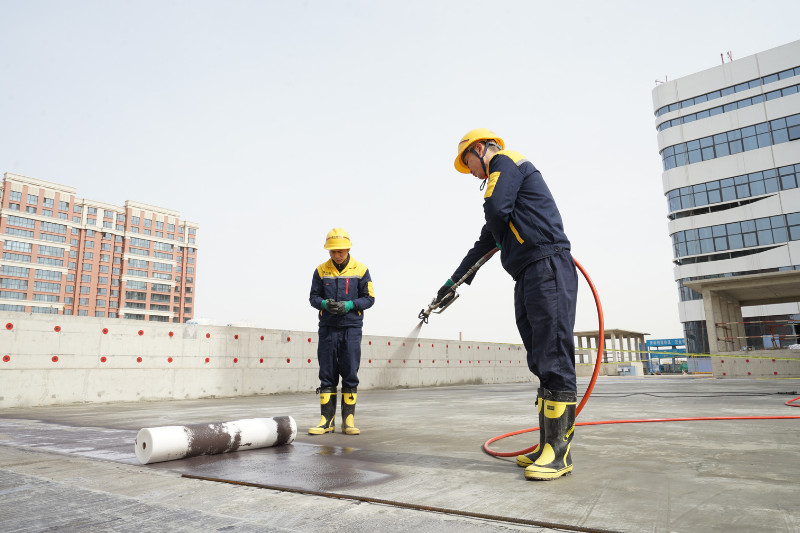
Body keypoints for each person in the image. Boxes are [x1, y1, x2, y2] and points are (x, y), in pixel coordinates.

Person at [435, 128, 579, 481]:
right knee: (540, 358)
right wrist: (453, 282)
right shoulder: (503, 195)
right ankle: (547, 443)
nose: (469, 171)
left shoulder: (506, 162)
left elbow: (496, 209)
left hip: (548, 265)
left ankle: (559, 455)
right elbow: (485, 243)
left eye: (468, 162)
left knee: (554, 355)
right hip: (528, 273)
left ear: (481, 149)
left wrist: (492, 203)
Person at [308, 227, 375, 436]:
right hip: (328, 328)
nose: (337, 255)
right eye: (333, 252)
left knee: (350, 372)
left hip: (351, 328)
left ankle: (348, 421)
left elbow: (369, 298)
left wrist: (350, 305)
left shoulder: (361, 270)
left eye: (340, 251)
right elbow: (313, 298)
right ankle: (326, 421)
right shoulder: (321, 271)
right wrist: (325, 304)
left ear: (348, 249)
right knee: (327, 374)